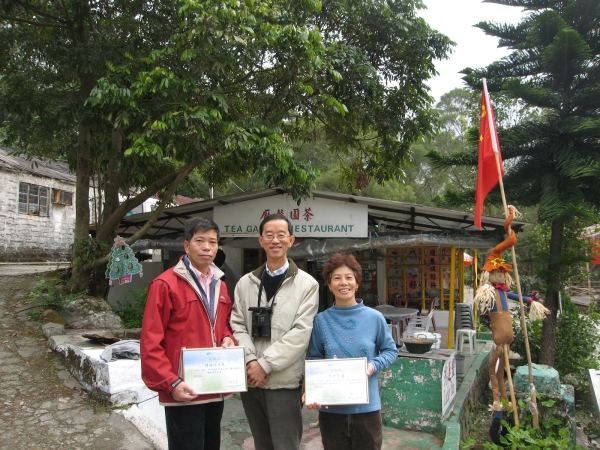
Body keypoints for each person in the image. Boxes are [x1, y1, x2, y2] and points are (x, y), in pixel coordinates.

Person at [140, 217, 237, 450]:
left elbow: (223, 324)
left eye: (213, 242)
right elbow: (150, 341)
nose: (207, 247)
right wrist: (170, 382)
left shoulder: (220, 284)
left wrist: (228, 337)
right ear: (186, 245)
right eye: (200, 241)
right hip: (183, 389)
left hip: (215, 388)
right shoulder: (165, 285)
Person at [231, 213, 319, 450]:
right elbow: (237, 324)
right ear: (261, 241)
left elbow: (301, 332)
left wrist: (265, 365)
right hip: (252, 381)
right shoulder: (245, 283)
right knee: (262, 443)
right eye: (269, 235)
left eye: (281, 235)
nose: (275, 240)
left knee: (285, 445)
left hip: (284, 381)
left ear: (291, 240)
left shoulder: (307, 284)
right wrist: (251, 362)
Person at [304, 253, 397, 450]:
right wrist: (312, 391)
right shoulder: (321, 320)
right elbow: (314, 358)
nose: (343, 283)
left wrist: (374, 365)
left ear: (356, 282)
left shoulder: (374, 318)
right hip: (331, 412)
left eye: (348, 277)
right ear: (329, 285)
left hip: (367, 411)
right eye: (336, 278)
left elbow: (390, 350)